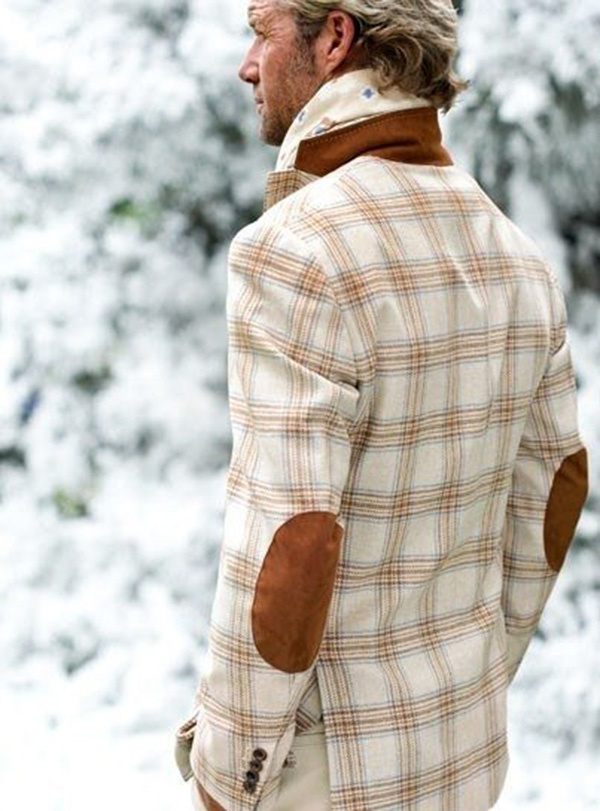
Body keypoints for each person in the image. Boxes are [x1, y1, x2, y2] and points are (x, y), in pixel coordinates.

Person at [173, 1, 589, 809]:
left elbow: (290, 536)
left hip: (322, 774)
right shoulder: (516, 254)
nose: (247, 65)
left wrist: (231, 774)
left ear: (335, 38)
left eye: (261, 31)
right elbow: (555, 495)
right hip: (464, 753)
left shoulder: (295, 249)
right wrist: (473, 674)